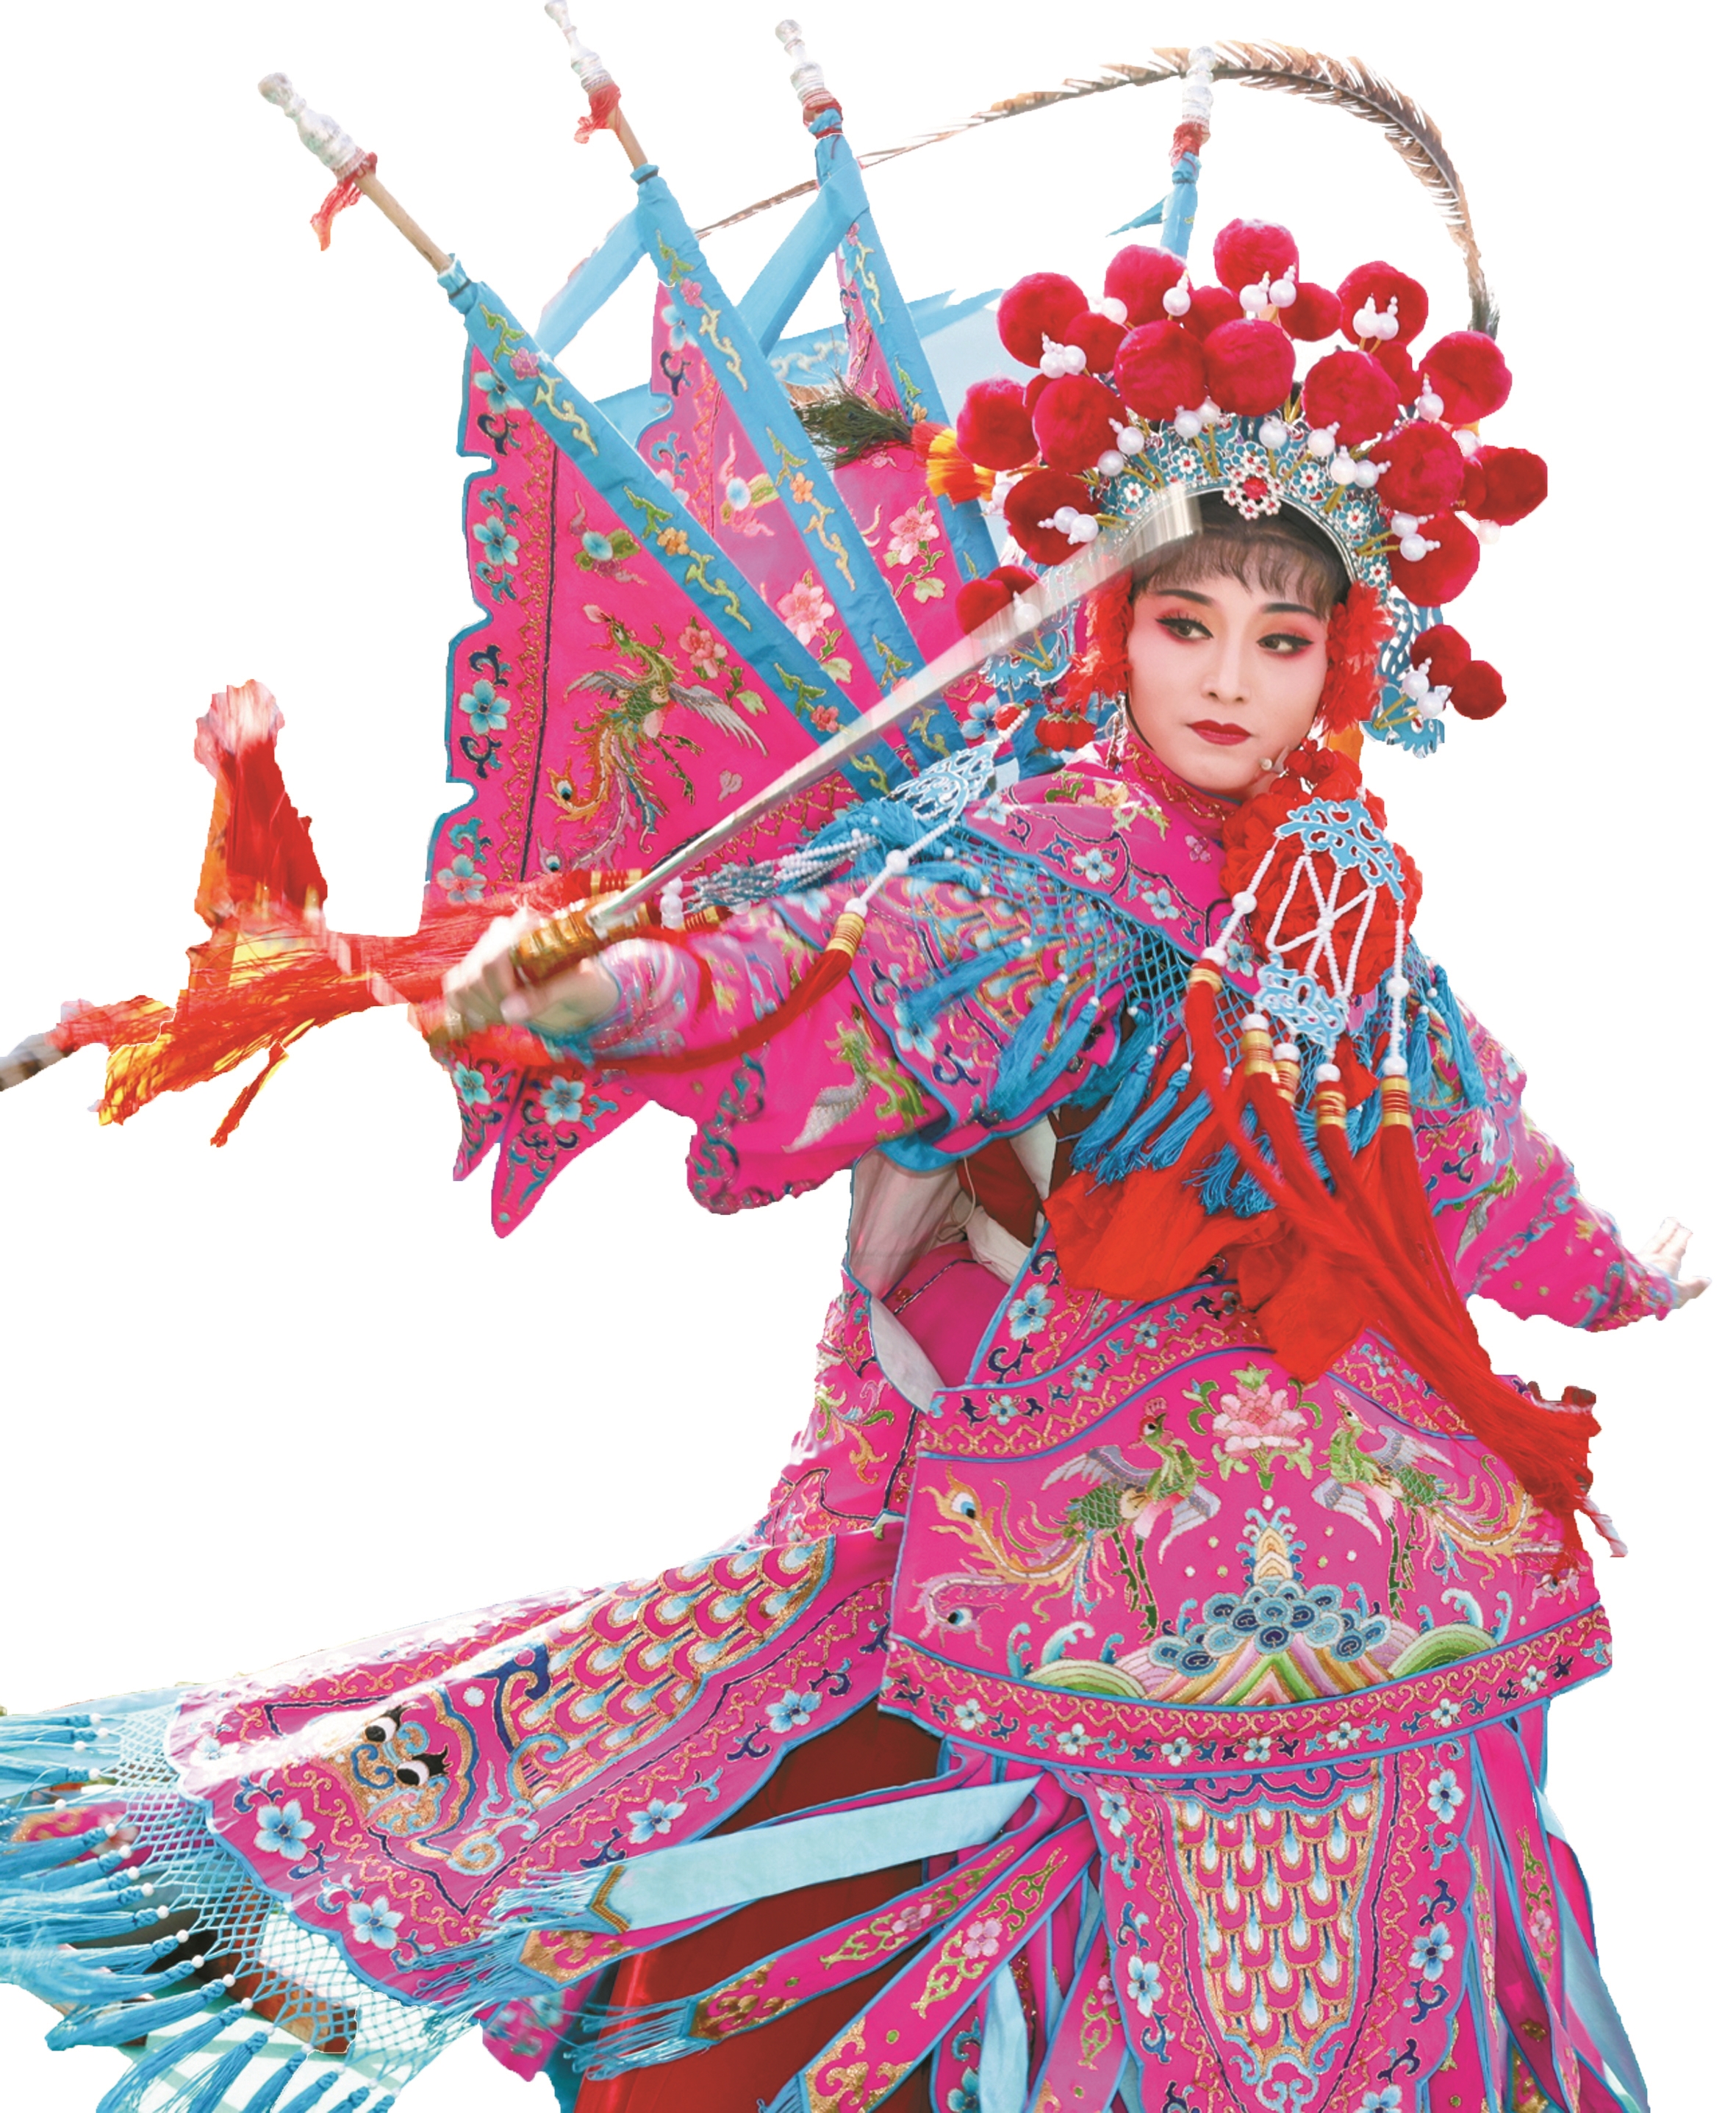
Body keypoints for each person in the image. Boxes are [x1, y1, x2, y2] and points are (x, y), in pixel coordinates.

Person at [0, 55, 1700, 2113]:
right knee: (874, 1749)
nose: (1228, 678)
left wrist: (1618, 1267)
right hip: (1048, 1431)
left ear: (1343, 661)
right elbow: (816, 974)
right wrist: (590, 988)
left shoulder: (1344, 887)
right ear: (1116, 626)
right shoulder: (1037, 854)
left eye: (1279, 639)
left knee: (1446, 1781)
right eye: (1188, 624)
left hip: (1365, 1480)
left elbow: (1458, 1140)